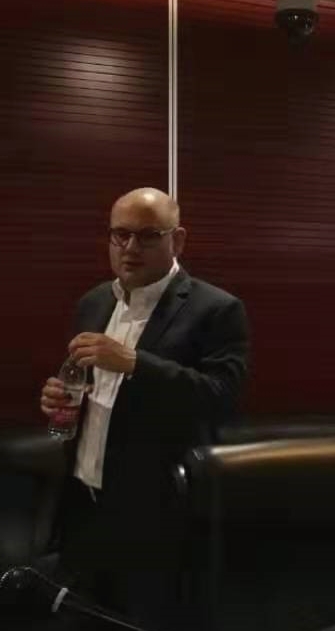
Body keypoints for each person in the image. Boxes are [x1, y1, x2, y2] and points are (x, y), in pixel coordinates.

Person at [38, 188, 250, 629]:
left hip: (159, 520)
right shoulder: (95, 301)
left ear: (178, 239)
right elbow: (92, 389)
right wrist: (60, 397)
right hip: (84, 507)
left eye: (147, 236)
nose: (130, 248)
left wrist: (136, 362)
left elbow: (221, 398)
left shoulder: (216, 308)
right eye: (120, 235)